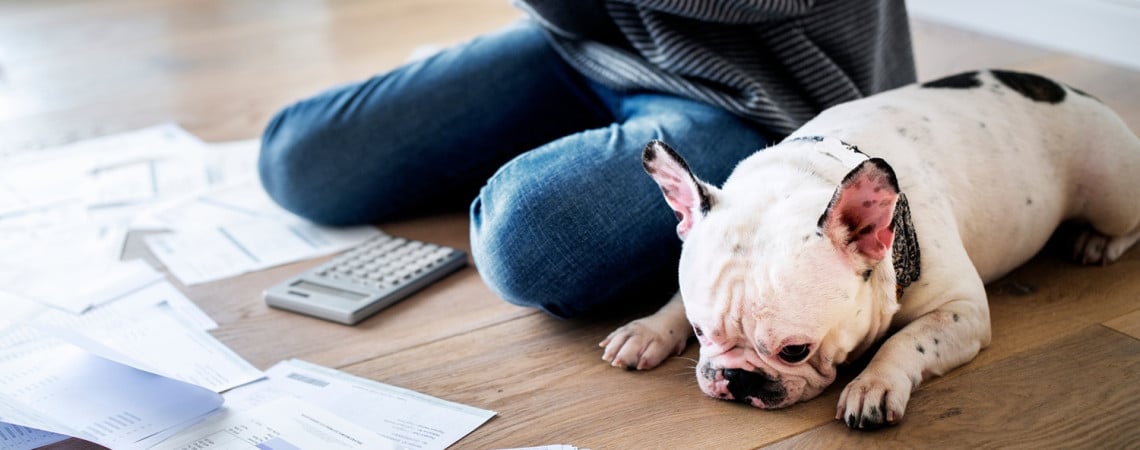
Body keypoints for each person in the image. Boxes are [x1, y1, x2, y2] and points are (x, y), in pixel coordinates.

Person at [258, 1, 916, 320]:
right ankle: (581, 153)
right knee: (299, 161)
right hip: (587, 45)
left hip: (760, 89)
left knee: (530, 241)